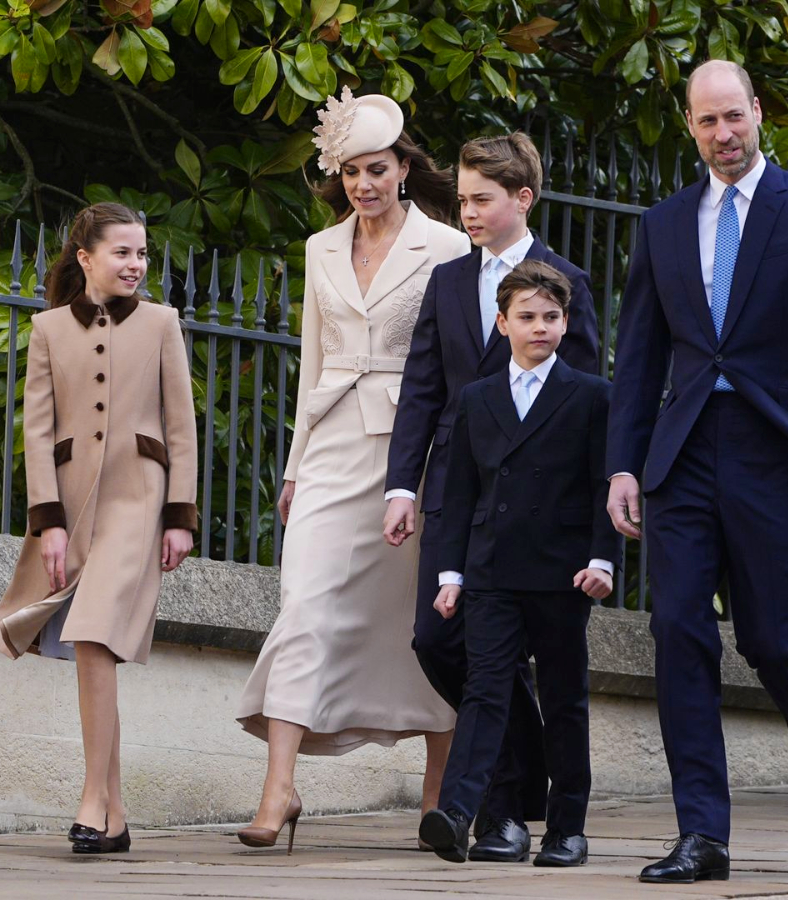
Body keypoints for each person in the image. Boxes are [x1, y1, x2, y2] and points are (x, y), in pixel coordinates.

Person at [606, 60, 788, 883]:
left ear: (758, 113)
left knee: (775, 637)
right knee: (678, 630)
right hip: (686, 447)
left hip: (774, 446)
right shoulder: (663, 223)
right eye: (707, 122)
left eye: (734, 117)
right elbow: (640, 360)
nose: (724, 135)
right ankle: (704, 833)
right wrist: (623, 465)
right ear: (690, 126)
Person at [234, 88, 467, 853]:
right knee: (302, 602)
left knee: (426, 618)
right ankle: (280, 788)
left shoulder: (449, 248)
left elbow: (460, 364)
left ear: (404, 167)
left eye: (377, 169)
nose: (363, 185)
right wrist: (296, 467)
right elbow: (313, 365)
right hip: (333, 447)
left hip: (419, 453)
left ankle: (440, 785)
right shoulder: (318, 249)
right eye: (351, 173)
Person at [383, 132, 600, 861]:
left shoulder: (565, 284)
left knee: (496, 665)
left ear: (522, 199)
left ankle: (504, 815)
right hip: (455, 494)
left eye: (480, 200)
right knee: (437, 642)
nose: (466, 212)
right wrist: (399, 485)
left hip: (538, 520)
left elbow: (583, 415)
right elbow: (422, 390)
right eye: (464, 199)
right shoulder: (447, 280)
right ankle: (519, 775)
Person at [0, 202, 198, 854]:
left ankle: (90, 797)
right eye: (122, 253)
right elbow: (38, 430)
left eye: (141, 254)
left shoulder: (162, 322)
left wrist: (180, 516)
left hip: (140, 498)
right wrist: (47, 523)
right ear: (86, 258)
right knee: (90, 648)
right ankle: (117, 814)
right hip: (75, 507)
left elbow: (182, 427)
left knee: (94, 632)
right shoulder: (48, 328)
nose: (135, 265)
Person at [418, 261, 613, 868]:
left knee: (562, 698)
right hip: (492, 569)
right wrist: (451, 575)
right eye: (526, 317)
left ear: (566, 322)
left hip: (562, 571)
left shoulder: (592, 396)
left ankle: (567, 827)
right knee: (485, 690)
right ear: (501, 324)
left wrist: (603, 559)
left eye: (551, 317)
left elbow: (608, 484)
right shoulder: (477, 400)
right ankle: (463, 814)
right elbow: (457, 495)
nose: (540, 327)